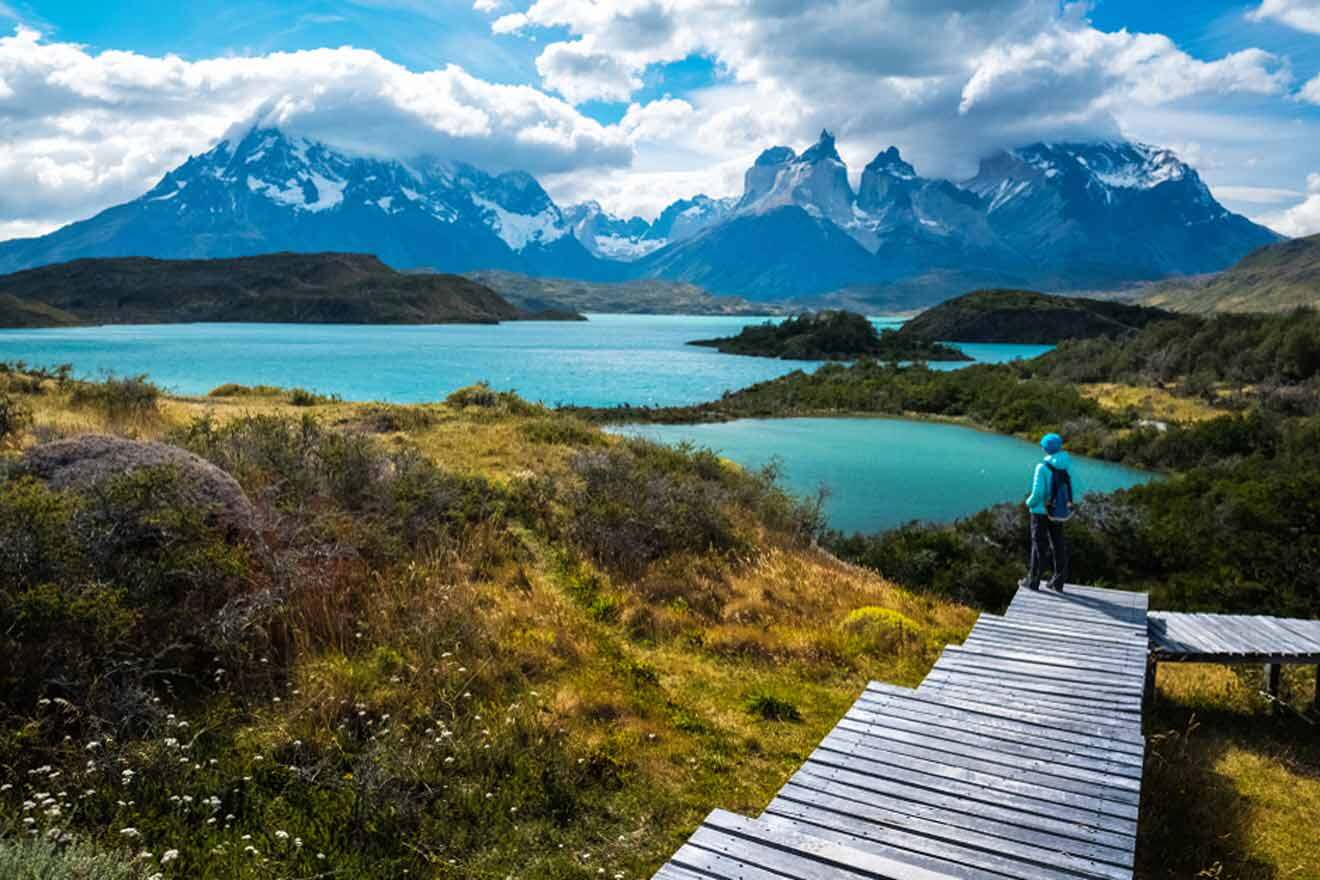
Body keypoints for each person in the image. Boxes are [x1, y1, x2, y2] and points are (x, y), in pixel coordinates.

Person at [1019, 432, 1078, 592]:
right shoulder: (1067, 465)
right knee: (1058, 543)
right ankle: (1058, 582)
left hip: (1040, 511)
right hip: (1058, 511)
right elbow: (1073, 488)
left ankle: (1034, 581)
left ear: (1045, 448)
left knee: (1038, 544)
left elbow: (1038, 493)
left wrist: (1028, 503)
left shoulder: (1042, 467)